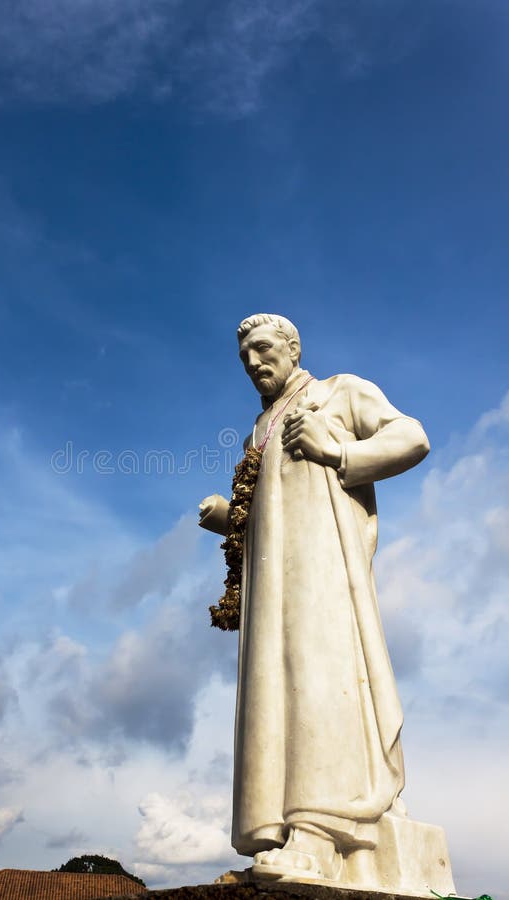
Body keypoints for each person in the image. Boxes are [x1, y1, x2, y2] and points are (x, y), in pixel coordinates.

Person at [199, 313, 433, 885]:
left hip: (324, 573)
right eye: (244, 357)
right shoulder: (258, 431)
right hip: (271, 587)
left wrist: (339, 452)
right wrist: (230, 518)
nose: (253, 363)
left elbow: (412, 438)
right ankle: (278, 830)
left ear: (292, 348)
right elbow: (270, 514)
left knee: (320, 681)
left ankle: (320, 830)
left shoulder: (338, 393)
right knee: (273, 695)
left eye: (262, 349)